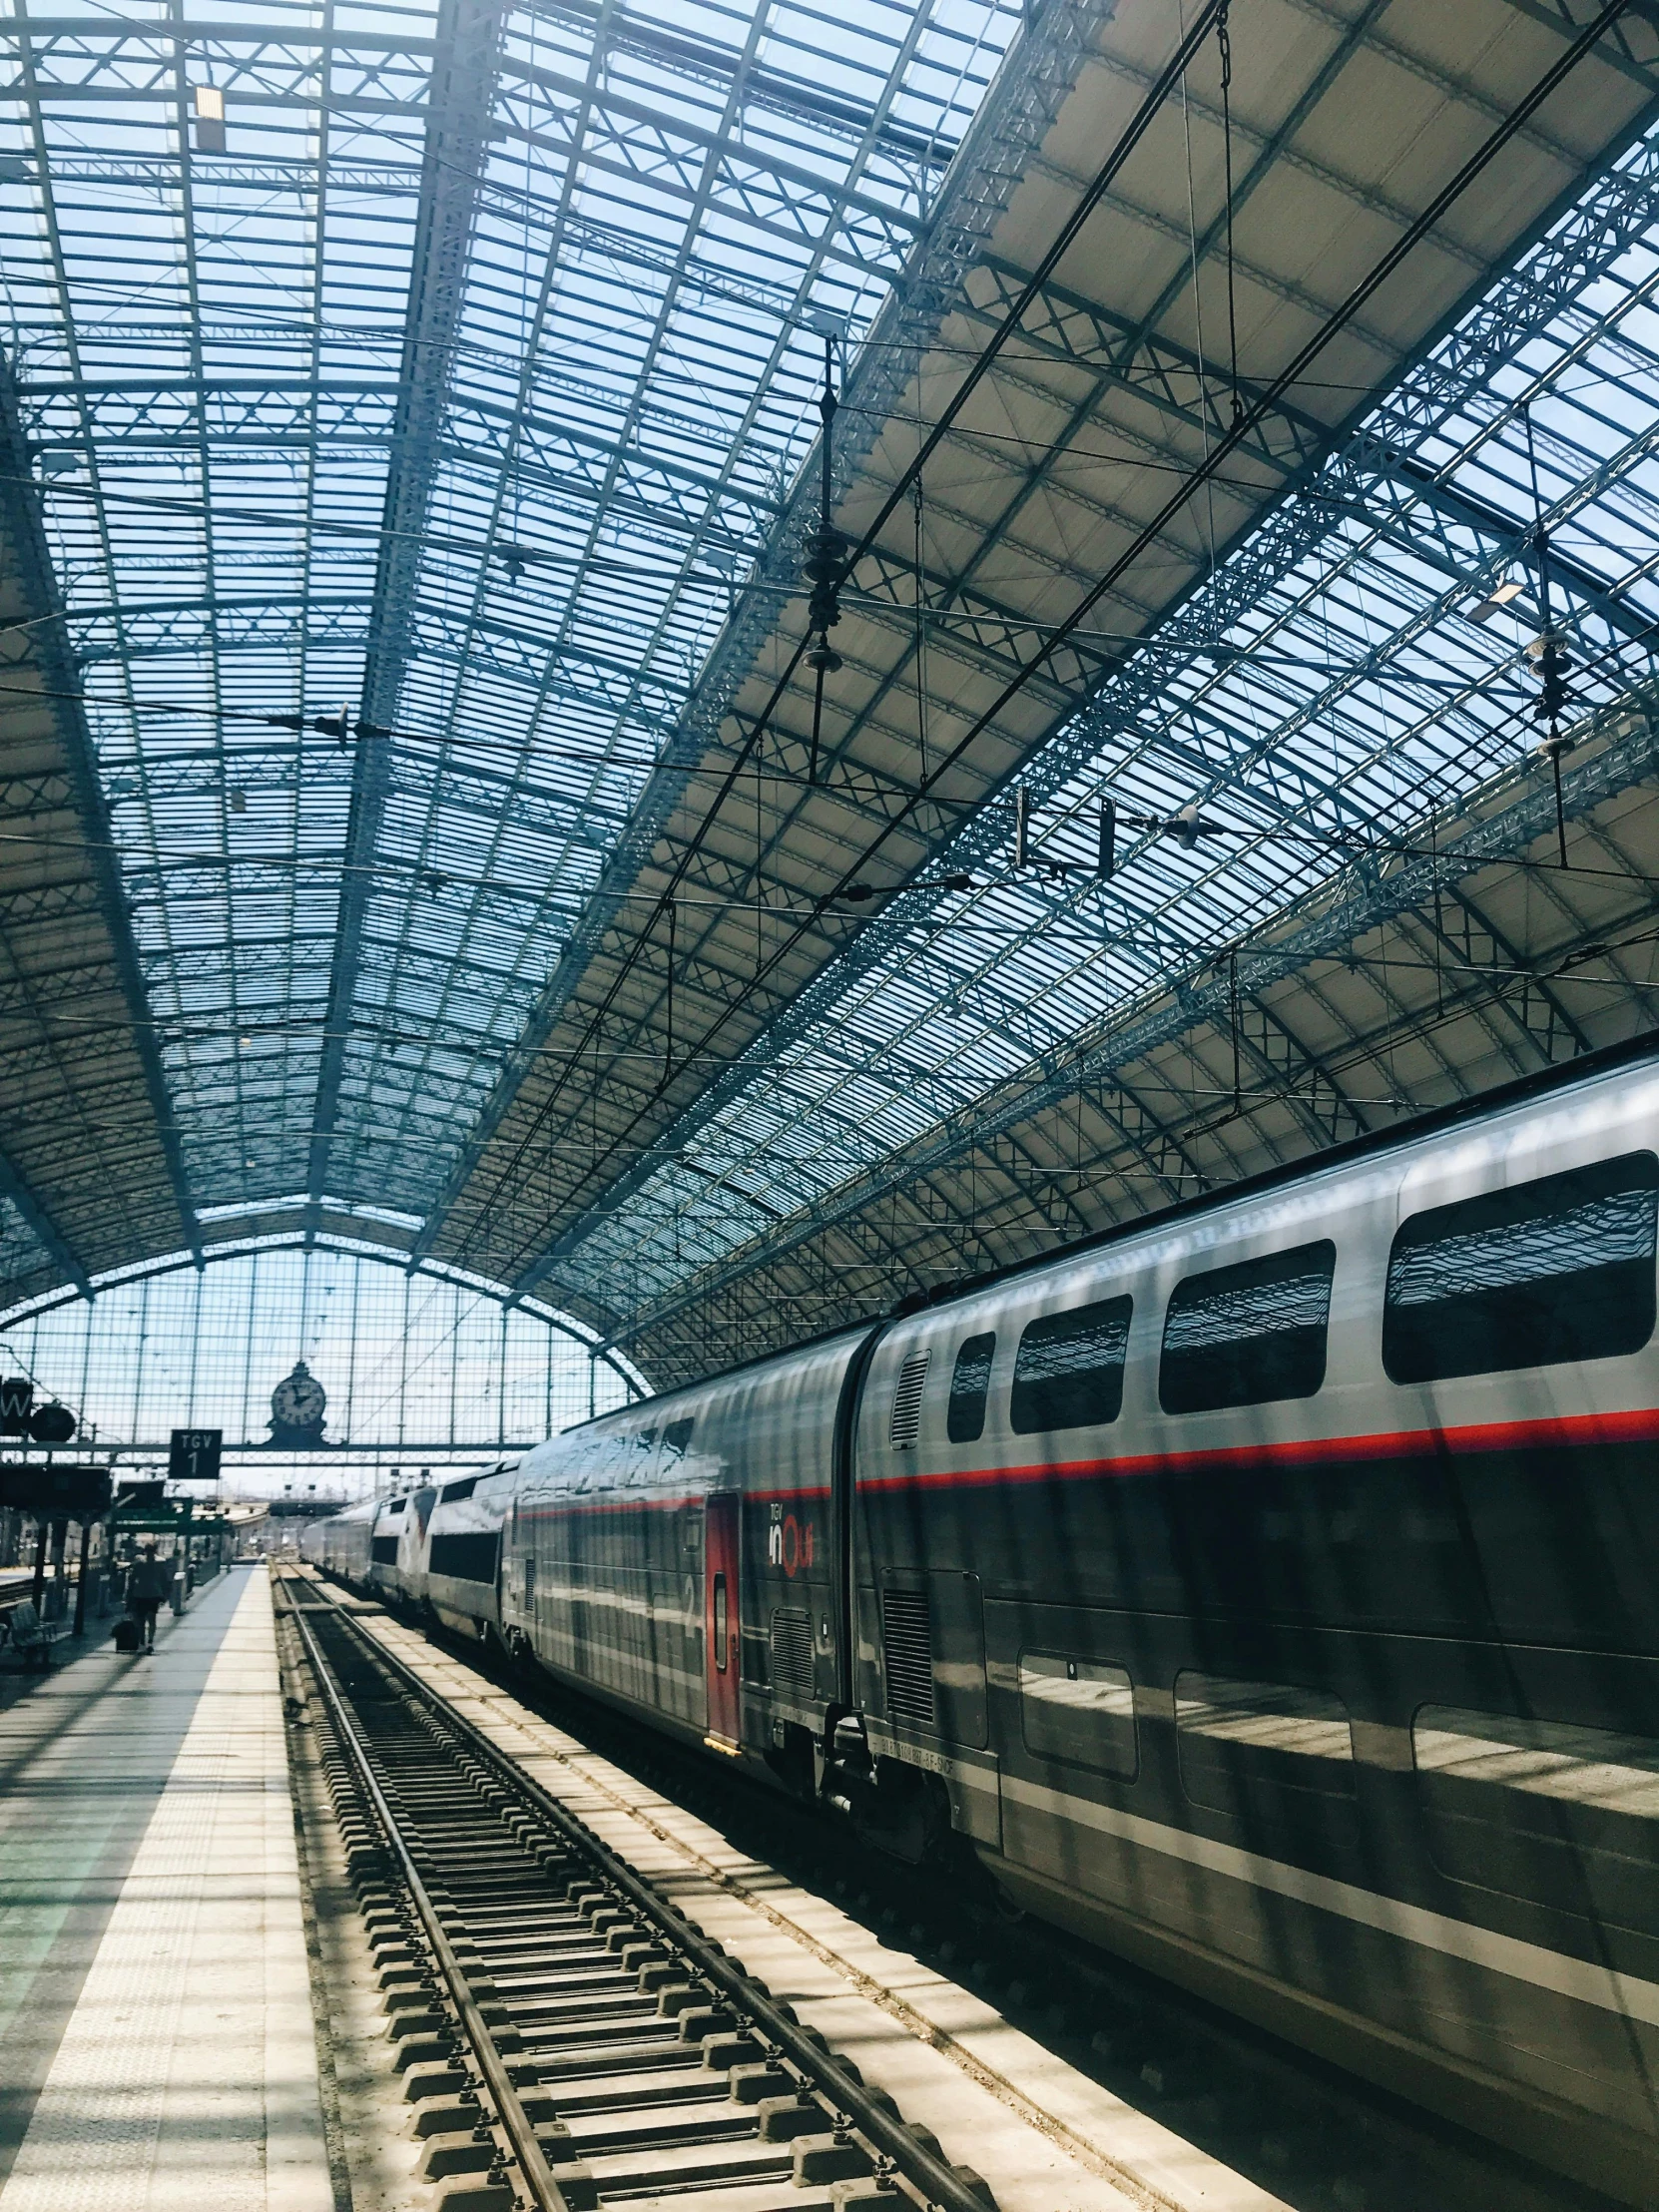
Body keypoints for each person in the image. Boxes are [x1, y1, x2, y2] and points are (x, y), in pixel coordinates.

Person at [126, 1543, 172, 1655]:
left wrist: (128, 1597)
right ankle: (150, 1642)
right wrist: (165, 1595)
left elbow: (131, 1580)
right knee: (152, 1619)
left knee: (140, 1621)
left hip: (140, 1594)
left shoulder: (138, 1564)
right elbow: (165, 1580)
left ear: (145, 1551)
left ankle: (142, 1642)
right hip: (154, 1594)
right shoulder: (160, 1564)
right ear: (155, 1551)